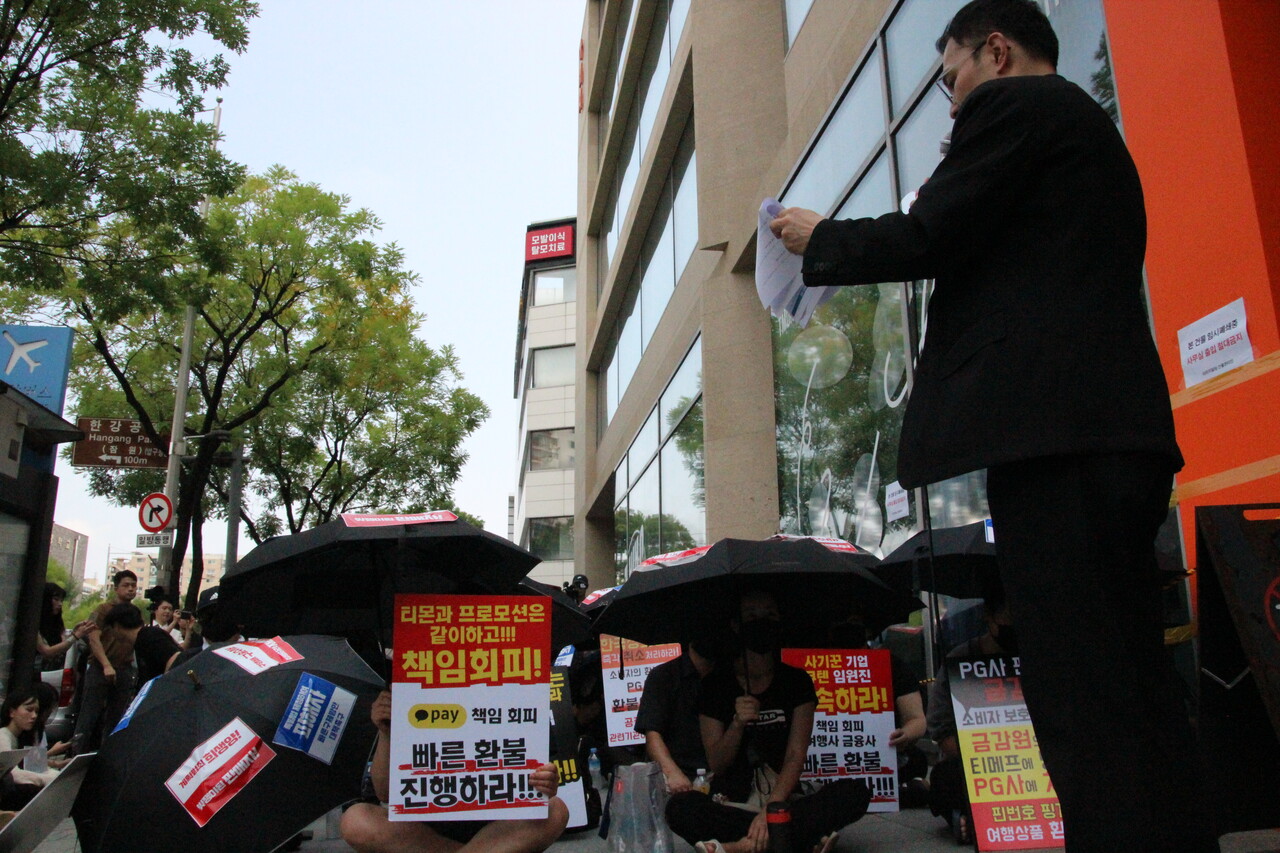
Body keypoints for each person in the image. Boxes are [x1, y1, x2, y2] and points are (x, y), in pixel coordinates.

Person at [768, 2, 1215, 849]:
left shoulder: (1014, 108)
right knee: (1134, 683)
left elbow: (930, 230)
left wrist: (818, 236)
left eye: (951, 78)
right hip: (1113, 436)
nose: (950, 102)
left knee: (1079, 691)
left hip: (1056, 444)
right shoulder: (1091, 138)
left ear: (996, 52)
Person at [664, 589, 870, 853]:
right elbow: (717, 761)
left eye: (769, 615)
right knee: (680, 808)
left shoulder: (797, 681)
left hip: (786, 797)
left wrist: (772, 810)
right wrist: (737, 724)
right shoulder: (716, 685)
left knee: (854, 791)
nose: (761, 621)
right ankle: (797, 840)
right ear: (737, 625)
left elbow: (796, 755)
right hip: (731, 800)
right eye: (751, 615)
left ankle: (742, 847)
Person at [339, 689, 568, 853]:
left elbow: (540, 780)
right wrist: (386, 732)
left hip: (499, 826)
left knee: (556, 810)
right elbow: (385, 793)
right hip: (421, 831)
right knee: (355, 820)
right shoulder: (402, 696)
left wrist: (546, 781)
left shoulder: (512, 693)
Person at [924, 591, 1019, 844]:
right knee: (944, 780)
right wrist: (991, 759)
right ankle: (969, 815)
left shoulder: (1036, 661)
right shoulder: (959, 659)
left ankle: (976, 818)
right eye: (1008, 618)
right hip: (974, 764)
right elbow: (942, 732)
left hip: (1032, 767)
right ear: (989, 617)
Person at [635, 632, 719, 795]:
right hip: (680, 780)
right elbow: (652, 733)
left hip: (720, 778)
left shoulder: (727, 675)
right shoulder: (663, 676)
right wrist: (672, 773)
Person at [73, 570, 140, 753]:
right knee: (88, 717)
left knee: (117, 718)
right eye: (126, 585)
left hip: (125, 669)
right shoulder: (103, 610)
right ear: (116, 588)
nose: (130, 589)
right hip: (100, 668)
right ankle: (75, 756)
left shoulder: (134, 612)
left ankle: (108, 757)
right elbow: (93, 638)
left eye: (133, 585)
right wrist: (105, 665)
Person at [0, 687, 59, 792]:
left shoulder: (26, 736)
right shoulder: (3, 736)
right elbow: (15, 775)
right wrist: (51, 779)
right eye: (29, 710)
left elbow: (38, 767)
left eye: (36, 711)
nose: (34, 716)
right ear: (12, 712)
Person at [35, 582, 92, 671]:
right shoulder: (33, 623)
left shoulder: (56, 623)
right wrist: (75, 636)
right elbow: (46, 651)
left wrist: (74, 632)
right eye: (56, 599)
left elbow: (62, 646)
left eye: (61, 600)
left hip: (50, 672)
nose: (60, 604)